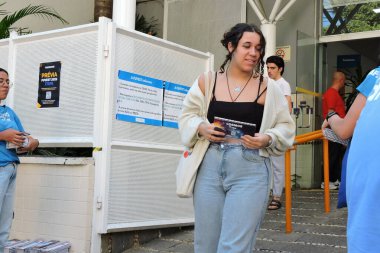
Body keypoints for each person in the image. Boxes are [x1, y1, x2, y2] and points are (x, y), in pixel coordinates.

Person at [179, 23, 295, 252]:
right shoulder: (207, 81)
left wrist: (268, 139)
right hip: (209, 167)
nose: (253, 53)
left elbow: (285, 125)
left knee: (234, 247)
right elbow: (187, 115)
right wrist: (201, 127)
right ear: (231, 46)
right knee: (205, 244)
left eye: (258, 48)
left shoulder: (268, 88)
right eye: (247, 46)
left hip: (250, 169)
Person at [0, 68, 39, 253]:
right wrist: (3, 135)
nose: (6, 85)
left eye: (8, 81)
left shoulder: (10, 112)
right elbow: (6, 135)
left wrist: (32, 143)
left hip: (12, 168)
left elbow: (27, 137)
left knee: (5, 220)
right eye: (1, 81)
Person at [266, 55, 292, 211]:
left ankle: (276, 197)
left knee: (277, 165)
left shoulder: (283, 84)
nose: (269, 71)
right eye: (268, 67)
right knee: (264, 163)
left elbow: (287, 108)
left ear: (280, 68)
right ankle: (266, 195)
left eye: (272, 68)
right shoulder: (266, 83)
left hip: (277, 130)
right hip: (266, 129)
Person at [321, 71, 346, 190]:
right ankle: (327, 181)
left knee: (335, 155)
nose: (344, 83)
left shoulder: (333, 93)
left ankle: (333, 179)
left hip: (336, 130)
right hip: (332, 130)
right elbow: (330, 112)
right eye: (344, 81)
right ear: (341, 80)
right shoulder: (332, 93)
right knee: (332, 155)